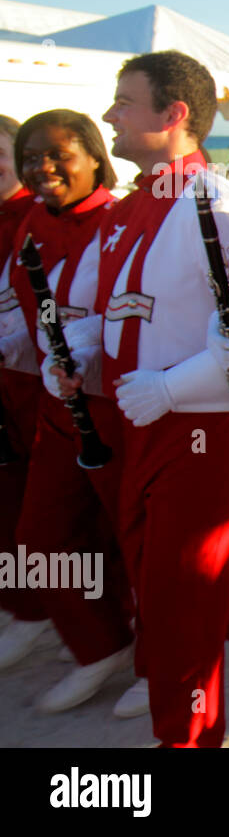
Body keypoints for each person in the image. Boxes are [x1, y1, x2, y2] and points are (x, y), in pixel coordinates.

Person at [45, 50, 229, 744]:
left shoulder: (219, 201)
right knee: (168, 584)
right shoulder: (132, 203)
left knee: (179, 603)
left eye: (124, 101)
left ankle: (189, 733)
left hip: (203, 432)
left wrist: (173, 385)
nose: (110, 114)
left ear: (173, 115)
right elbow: (103, 306)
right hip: (137, 424)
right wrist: (81, 350)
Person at [6, 110, 137, 711]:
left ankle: (159, 658)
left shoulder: (120, 221)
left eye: (58, 153)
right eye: (31, 156)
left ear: (93, 155)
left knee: (131, 542)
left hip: (123, 411)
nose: (43, 167)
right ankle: (98, 643)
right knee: (42, 536)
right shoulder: (33, 221)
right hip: (60, 410)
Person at [0, 114, 48, 669]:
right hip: (26, 384)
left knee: (42, 522)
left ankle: (50, 613)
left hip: (46, 390)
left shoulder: (33, 220)